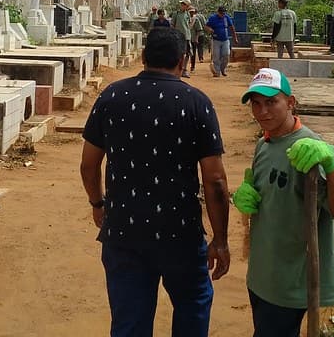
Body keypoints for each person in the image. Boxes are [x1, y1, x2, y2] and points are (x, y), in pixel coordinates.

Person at [79, 28, 231, 337]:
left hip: (124, 229)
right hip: (181, 232)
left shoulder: (112, 96)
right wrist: (220, 238)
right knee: (192, 305)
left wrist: (98, 203)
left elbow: (88, 164)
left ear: (144, 57)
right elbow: (214, 180)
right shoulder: (196, 102)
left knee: (129, 321)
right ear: (182, 59)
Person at [232, 69, 334, 337]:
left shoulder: (308, 150)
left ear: (290, 103)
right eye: (255, 103)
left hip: (292, 281)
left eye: (271, 102)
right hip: (262, 275)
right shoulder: (263, 145)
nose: (262, 111)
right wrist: (246, 199)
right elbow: (264, 201)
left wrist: (331, 168)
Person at [205, 5, 238, 77]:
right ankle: (217, 71)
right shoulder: (213, 18)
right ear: (218, 12)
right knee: (216, 56)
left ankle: (222, 68)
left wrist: (235, 38)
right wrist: (210, 30)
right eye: (221, 13)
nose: (222, 15)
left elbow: (232, 27)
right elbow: (206, 26)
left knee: (226, 54)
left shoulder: (227, 18)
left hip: (225, 40)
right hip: (216, 40)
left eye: (223, 13)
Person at [173, 0, 193, 77]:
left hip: (187, 37)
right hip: (178, 37)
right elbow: (172, 24)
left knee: (187, 53)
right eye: (182, 4)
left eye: (184, 4)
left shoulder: (188, 14)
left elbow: (189, 24)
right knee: (178, 53)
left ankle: (184, 69)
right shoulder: (176, 13)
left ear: (187, 6)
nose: (182, 5)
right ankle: (177, 69)